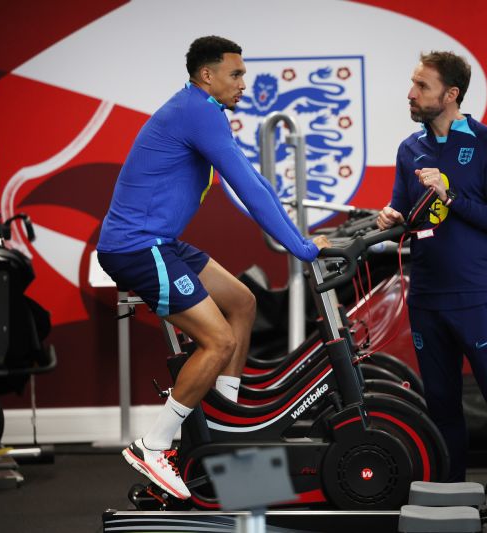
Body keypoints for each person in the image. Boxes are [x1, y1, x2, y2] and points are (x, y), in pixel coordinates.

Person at [96, 36, 329, 500]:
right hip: (137, 248)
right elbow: (249, 189)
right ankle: (153, 445)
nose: (244, 83)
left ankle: (223, 415)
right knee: (218, 339)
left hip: (163, 243)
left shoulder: (205, 111)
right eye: (236, 74)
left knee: (243, 301)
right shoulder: (195, 111)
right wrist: (301, 248)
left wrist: (302, 239)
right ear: (207, 75)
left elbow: (254, 177)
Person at [377, 51, 487, 494]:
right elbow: (413, 215)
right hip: (426, 300)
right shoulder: (410, 149)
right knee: (442, 409)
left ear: (451, 94)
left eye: (421, 86)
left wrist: (452, 197)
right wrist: (393, 216)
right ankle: (450, 502)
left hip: (477, 299)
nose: (411, 94)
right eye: (412, 83)